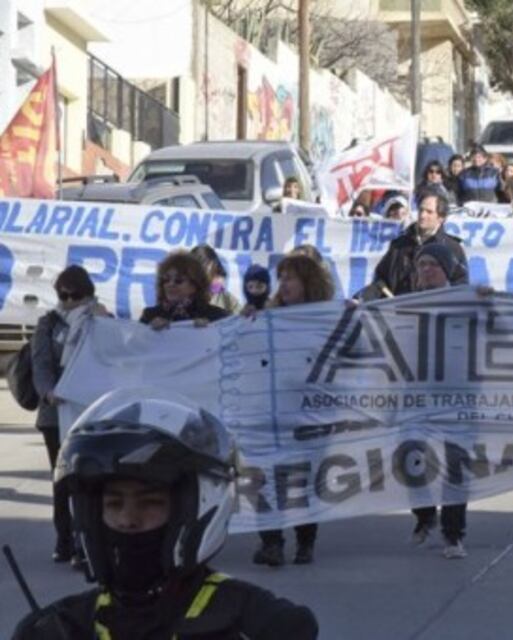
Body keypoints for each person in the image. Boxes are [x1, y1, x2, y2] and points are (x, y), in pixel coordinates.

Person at [12, 388, 318, 639]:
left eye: (150, 503)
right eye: (113, 504)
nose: (128, 520)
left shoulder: (256, 620)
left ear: (195, 508)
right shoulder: (62, 627)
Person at [251, 255, 335, 567]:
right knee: (264, 476)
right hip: (271, 411)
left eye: (291, 278)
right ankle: (271, 542)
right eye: (281, 278)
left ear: (308, 283)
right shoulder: (268, 316)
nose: (283, 285)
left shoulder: (327, 317)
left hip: (310, 413)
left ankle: (305, 541)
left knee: (302, 480)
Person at [31, 266, 109, 567]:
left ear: (87, 293)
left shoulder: (99, 319)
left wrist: (104, 321)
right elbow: (41, 364)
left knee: (90, 479)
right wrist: (48, 392)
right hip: (56, 412)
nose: (68, 301)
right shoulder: (48, 323)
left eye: (74, 295)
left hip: (90, 411)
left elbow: (117, 352)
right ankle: (65, 540)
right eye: (62, 295)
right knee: (63, 478)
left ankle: (86, 541)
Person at [407, 243, 471, 559]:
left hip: (459, 394)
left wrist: (488, 300)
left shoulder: (465, 301)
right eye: (421, 264)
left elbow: (500, 324)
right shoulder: (405, 304)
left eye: (433, 264)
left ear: (446, 270)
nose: (426, 269)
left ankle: (453, 534)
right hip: (417, 397)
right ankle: (424, 515)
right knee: (408, 459)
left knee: (455, 466)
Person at [365, 192, 467, 298]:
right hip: (399, 311)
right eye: (421, 210)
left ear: (441, 218)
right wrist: (361, 299)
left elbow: (461, 286)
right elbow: (380, 281)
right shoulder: (399, 245)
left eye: (429, 212)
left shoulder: (452, 248)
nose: (422, 215)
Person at [139, 251, 229, 329]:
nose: (170, 284)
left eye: (178, 281)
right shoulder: (150, 315)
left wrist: (210, 331)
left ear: (194, 286)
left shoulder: (216, 317)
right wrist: (148, 332)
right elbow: (134, 346)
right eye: (166, 280)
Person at [190, 244, 241, 314]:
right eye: (198, 265)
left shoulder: (226, 298)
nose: (202, 269)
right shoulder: (182, 296)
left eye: (206, 263)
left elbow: (241, 319)